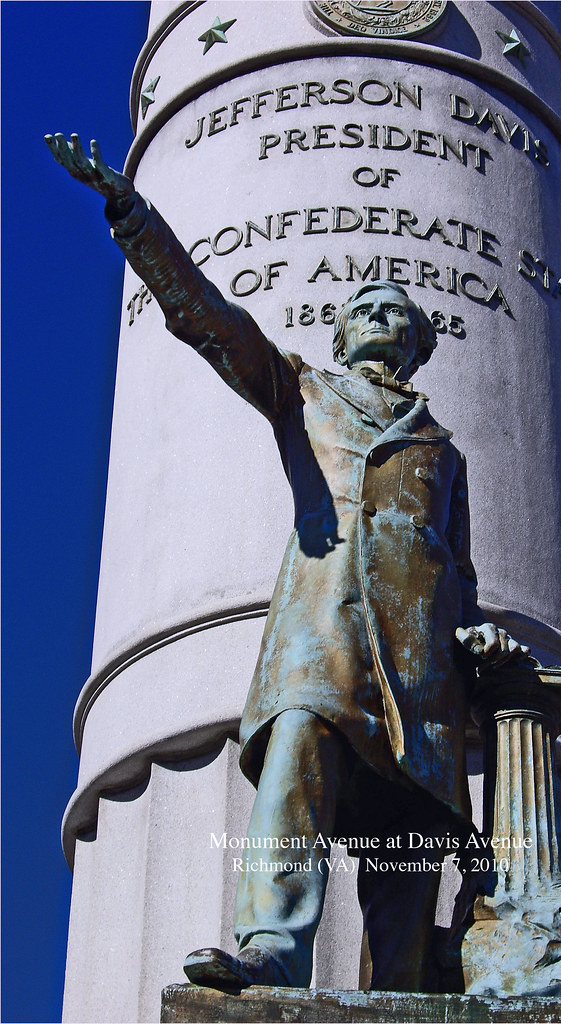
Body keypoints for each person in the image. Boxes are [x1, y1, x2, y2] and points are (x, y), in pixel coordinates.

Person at [46, 134, 527, 993]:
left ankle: (407, 984)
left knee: (409, 834)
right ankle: (271, 942)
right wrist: (132, 216)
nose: (380, 317)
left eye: (396, 314)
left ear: (417, 347)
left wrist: (477, 645)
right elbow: (208, 321)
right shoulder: (303, 389)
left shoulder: (441, 448)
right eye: (365, 309)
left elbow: (460, 568)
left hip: (422, 666)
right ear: (342, 335)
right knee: (299, 744)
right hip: (324, 624)